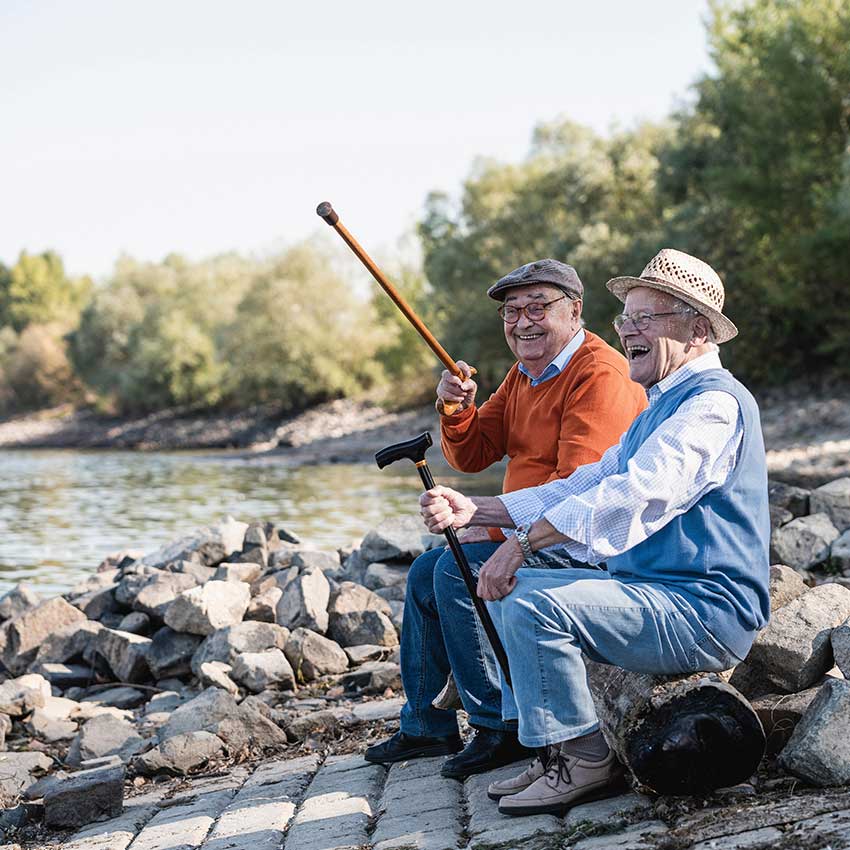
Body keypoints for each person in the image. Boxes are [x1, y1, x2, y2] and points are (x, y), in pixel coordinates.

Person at [418, 248, 770, 815]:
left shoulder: (711, 407)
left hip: (703, 610)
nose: (627, 330)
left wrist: (524, 543)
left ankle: (585, 762)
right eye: (625, 318)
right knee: (509, 592)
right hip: (656, 595)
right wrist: (478, 510)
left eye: (645, 318)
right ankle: (556, 748)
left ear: (698, 329)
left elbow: (632, 494)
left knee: (534, 605)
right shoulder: (662, 403)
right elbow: (586, 481)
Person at [365, 259, 647, 778]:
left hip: (585, 543)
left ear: (575, 310)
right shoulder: (525, 375)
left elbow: (577, 494)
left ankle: (500, 725)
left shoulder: (598, 373)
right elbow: (471, 454)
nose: (523, 322)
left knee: (455, 570)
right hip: (531, 527)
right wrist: (456, 409)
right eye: (512, 312)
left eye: (538, 307)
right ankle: (427, 726)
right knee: (429, 571)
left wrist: (495, 528)